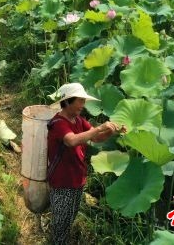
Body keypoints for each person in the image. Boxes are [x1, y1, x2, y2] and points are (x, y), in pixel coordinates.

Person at [47, 83, 126, 244]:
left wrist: (112, 131)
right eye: (80, 101)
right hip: (63, 181)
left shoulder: (78, 120)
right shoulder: (58, 123)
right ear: (68, 101)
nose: (83, 105)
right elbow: (71, 140)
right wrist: (99, 128)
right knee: (61, 221)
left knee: (69, 217)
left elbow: (95, 138)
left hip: (77, 178)